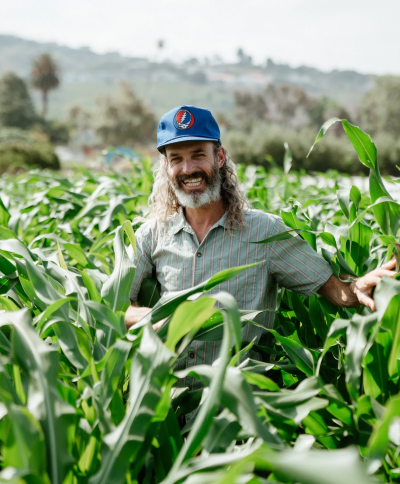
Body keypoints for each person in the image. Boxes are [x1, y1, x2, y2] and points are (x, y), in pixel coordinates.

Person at [125, 104, 396, 383]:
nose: (188, 168)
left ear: (219, 157)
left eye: (198, 156)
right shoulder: (152, 235)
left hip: (241, 406)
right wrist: (155, 319)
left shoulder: (265, 231)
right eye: (176, 159)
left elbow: (337, 292)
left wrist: (358, 287)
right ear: (167, 166)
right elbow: (119, 308)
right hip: (171, 405)